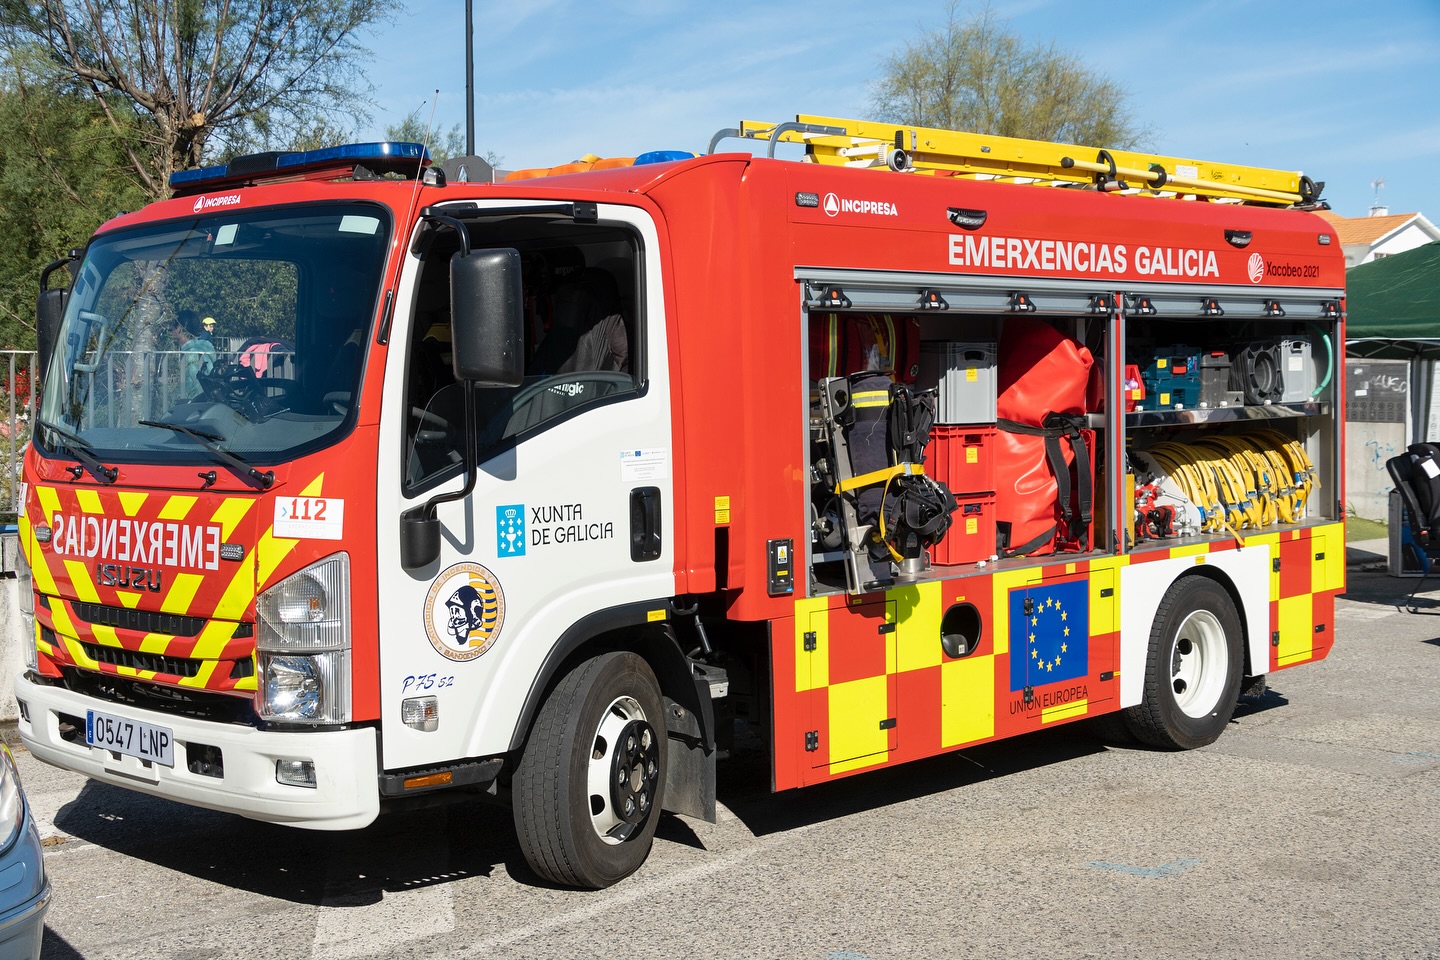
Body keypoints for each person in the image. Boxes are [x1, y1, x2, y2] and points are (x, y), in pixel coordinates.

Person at [172, 312, 217, 399]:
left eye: (171, 330)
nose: (170, 334)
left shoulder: (191, 355)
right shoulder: (204, 348)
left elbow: (194, 388)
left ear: (179, 329)